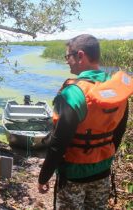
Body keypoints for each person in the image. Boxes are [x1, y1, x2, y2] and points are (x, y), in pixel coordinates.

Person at [38, 34, 131, 209]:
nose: (67, 61)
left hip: (73, 176)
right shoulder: (118, 90)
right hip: (102, 172)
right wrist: (103, 160)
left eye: (68, 56)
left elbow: (59, 142)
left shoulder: (73, 93)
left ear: (80, 55)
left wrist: (43, 177)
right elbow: (118, 133)